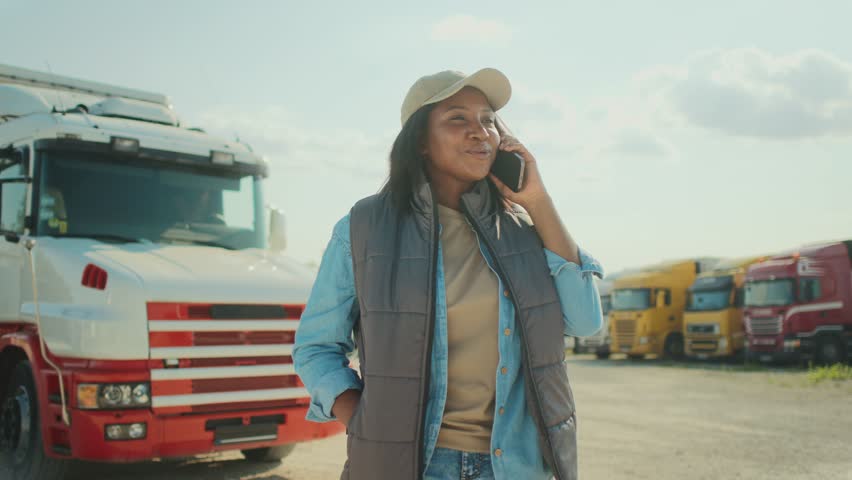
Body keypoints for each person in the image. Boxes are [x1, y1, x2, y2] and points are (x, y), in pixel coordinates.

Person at [293, 68, 604, 480]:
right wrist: (364, 419)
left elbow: (585, 321)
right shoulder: (364, 229)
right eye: (458, 118)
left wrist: (539, 202)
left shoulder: (526, 233)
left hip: (515, 466)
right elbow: (315, 348)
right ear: (421, 141)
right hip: (416, 466)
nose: (480, 132)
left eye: (488, 120)